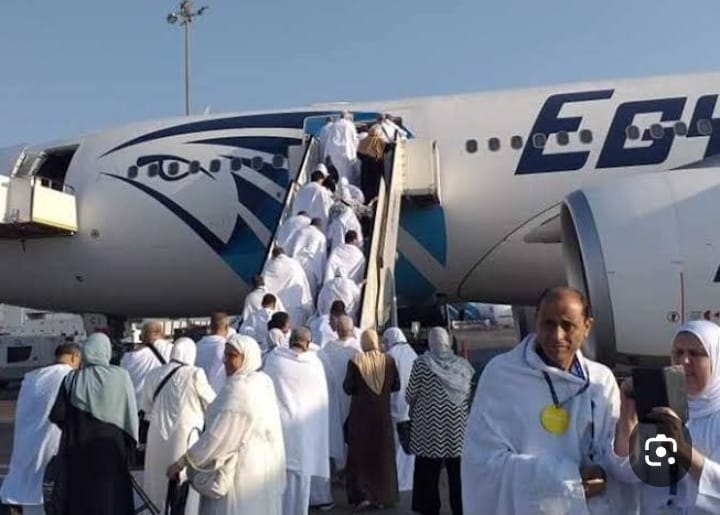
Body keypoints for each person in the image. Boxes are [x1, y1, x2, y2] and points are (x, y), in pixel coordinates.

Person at [461, 287, 638, 515]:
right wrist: (566, 481)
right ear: (536, 321)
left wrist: (629, 418)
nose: (557, 336)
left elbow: (617, 458)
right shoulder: (502, 376)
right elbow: (482, 463)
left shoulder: (600, 380)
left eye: (567, 325)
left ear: (587, 327)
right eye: (548, 324)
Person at [167, 334, 286, 515]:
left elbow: (217, 438)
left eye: (232, 356)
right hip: (261, 469)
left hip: (239, 473)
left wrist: (183, 462)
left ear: (246, 358)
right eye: (225, 355)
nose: (225, 361)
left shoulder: (239, 388)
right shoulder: (262, 382)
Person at [624, 320, 720, 513]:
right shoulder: (658, 406)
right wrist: (627, 410)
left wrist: (684, 450)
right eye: (678, 353)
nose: (684, 361)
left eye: (695, 353)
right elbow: (626, 472)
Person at [50, 333, 139, 515]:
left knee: (81, 500)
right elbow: (130, 415)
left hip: (79, 452)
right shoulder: (121, 376)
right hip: (112, 452)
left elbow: (58, 415)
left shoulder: (72, 379)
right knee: (112, 500)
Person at [0, 344, 81, 515]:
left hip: (25, 445)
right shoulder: (71, 377)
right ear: (74, 357)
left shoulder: (33, 377)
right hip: (51, 453)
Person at [142, 338, 216, 514]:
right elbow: (213, 404)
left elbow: (146, 406)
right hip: (186, 436)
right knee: (182, 483)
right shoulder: (195, 374)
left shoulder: (153, 374)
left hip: (157, 435)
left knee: (157, 481)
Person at [263, 328, 330, 515]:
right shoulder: (315, 364)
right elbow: (321, 399)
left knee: (278, 479)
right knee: (302, 481)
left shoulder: (275, 360)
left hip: (281, 428)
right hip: (306, 431)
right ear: (308, 343)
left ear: (290, 340)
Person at [406, 327, 473, 514]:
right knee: (457, 472)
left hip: (429, 428)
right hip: (457, 428)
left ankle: (429, 509)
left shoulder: (422, 364)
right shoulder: (462, 364)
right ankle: (460, 508)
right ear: (447, 342)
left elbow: (410, 395)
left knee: (428, 471)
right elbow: (467, 394)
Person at [343, 329, 400, 510]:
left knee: (360, 456)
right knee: (382, 456)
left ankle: (362, 496)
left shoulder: (355, 361)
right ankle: (383, 496)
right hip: (382, 417)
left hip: (360, 417)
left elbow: (348, 388)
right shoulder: (389, 361)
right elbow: (396, 385)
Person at [313, 319, 362, 507]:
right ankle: (348, 470)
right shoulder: (357, 349)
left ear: (337, 330)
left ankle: (339, 470)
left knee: (337, 431)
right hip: (351, 397)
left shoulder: (328, 349)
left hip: (335, 397)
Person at [383, 327, 418, 493]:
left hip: (395, 406)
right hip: (412, 406)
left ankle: (397, 479)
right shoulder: (412, 353)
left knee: (396, 445)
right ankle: (409, 478)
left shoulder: (390, 356)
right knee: (410, 446)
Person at [120, 321, 172, 407]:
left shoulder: (130, 357)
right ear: (162, 335)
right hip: (162, 406)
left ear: (142, 337)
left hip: (138, 406)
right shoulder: (172, 350)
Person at [262, 247, 314, 328]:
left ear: (273, 256)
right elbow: (304, 283)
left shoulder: (271, 266)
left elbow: (265, 283)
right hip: (296, 307)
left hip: (277, 311)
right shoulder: (295, 264)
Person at [287, 218, 327, 298]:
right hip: (311, 268)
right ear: (319, 226)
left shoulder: (300, 231)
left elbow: (291, 247)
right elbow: (323, 258)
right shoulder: (321, 237)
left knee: (292, 292)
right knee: (308, 296)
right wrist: (321, 278)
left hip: (296, 264)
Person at [196, 313, 231, 394]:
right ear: (227, 328)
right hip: (217, 394)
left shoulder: (197, 345)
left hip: (198, 393)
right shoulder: (226, 348)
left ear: (211, 326)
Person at [323, 111, 359, 185]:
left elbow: (329, 140)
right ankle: (346, 189)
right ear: (347, 116)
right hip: (347, 152)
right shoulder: (350, 125)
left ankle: (336, 188)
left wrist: (326, 154)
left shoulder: (334, 125)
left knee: (336, 174)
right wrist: (355, 153)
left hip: (334, 153)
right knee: (347, 175)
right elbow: (355, 140)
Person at [357, 126, 387, 202]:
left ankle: (367, 200)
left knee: (366, 185)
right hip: (376, 167)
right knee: (375, 186)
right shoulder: (378, 140)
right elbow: (387, 148)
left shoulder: (363, 141)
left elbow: (358, 154)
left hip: (365, 167)